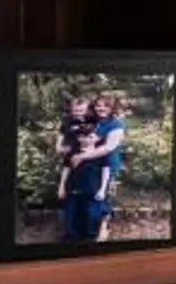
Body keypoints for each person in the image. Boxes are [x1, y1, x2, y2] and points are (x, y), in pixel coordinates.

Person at [54, 89, 126, 244]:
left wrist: (80, 156)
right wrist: (68, 148)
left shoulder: (116, 124)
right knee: (87, 199)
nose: (101, 109)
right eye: (98, 106)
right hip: (85, 165)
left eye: (106, 106)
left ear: (112, 108)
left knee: (101, 197)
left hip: (106, 162)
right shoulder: (92, 119)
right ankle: (84, 230)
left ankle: (102, 229)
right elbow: (72, 134)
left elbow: (108, 148)